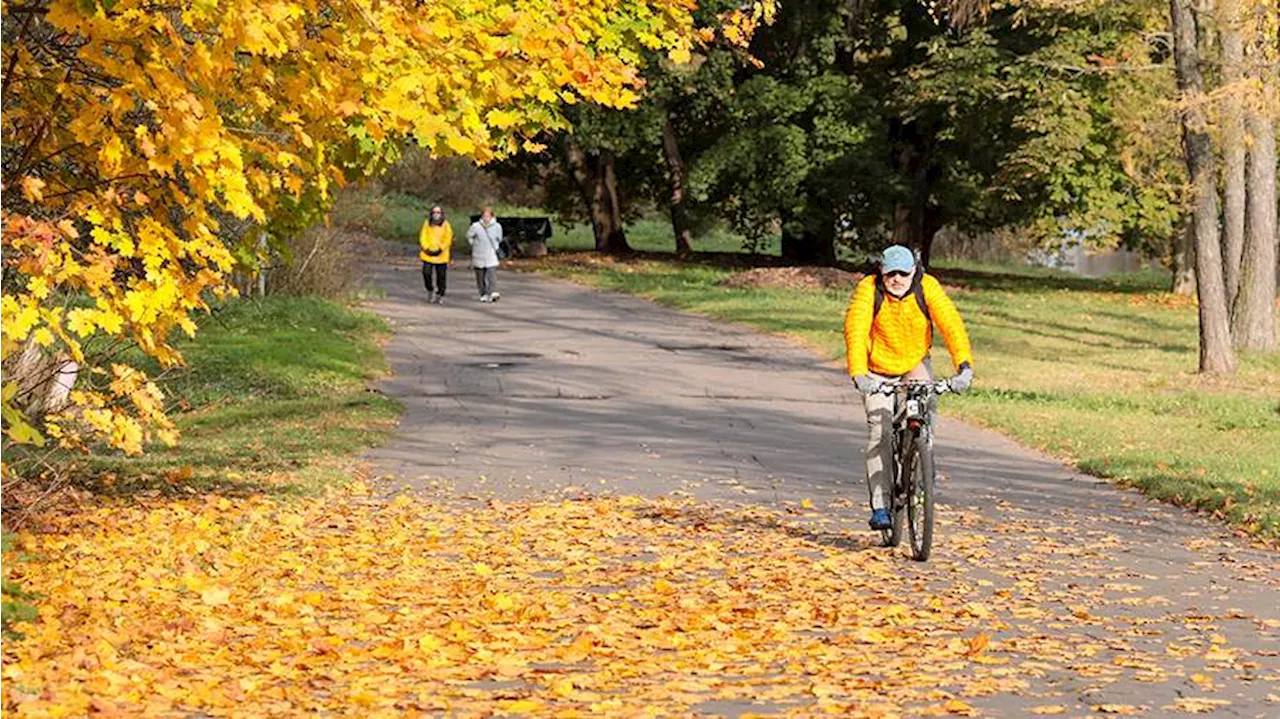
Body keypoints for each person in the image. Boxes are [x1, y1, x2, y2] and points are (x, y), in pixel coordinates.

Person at [843, 245, 974, 531]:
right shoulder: (869, 289)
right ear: (882, 271)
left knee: (927, 403)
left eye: (904, 272)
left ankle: (922, 456)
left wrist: (964, 365)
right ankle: (880, 505)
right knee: (880, 430)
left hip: (913, 362)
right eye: (892, 273)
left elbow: (950, 323)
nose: (898, 279)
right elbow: (855, 328)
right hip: (876, 368)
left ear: (914, 270)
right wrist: (859, 373)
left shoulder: (927, 287)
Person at [466, 207, 503, 302]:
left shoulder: (497, 226)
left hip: (491, 253)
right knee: (480, 276)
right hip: (479, 254)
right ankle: (483, 293)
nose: (486, 218)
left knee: (492, 274)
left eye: (488, 216)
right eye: (484, 216)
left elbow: (499, 238)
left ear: (492, 216)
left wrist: (496, 245)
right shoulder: (476, 226)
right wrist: (474, 244)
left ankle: (493, 292)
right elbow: (469, 236)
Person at [418, 205, 453, 304]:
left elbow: (448, 238)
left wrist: (441, 248)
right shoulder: (427, 224)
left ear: (442, 214)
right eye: (434, 212)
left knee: (441, 276)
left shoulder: (446, 225)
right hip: (428, 254)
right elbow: (422, 236)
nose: (436, 215)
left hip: (441, 255)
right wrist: (426, 248)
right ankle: (430, 290)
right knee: (426, 273)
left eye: (438, 212)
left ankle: (440, 293)